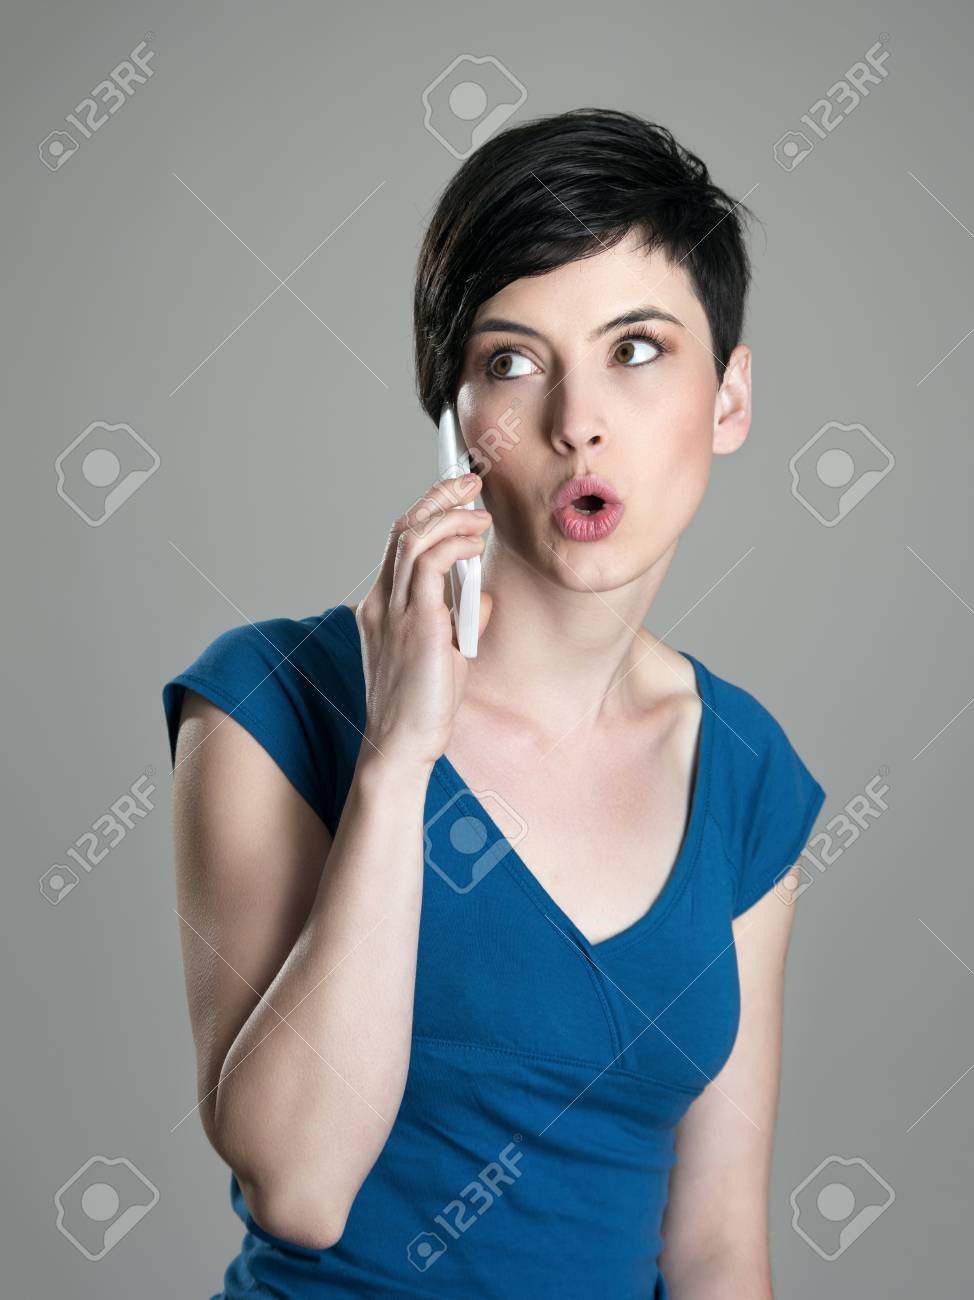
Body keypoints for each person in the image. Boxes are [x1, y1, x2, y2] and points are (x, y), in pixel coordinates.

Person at [162, 107, 826, 1299]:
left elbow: (717, 1246)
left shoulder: (746, 772)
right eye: (511, 361)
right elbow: (299, 1187)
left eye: (635, 349)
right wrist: (396, 757)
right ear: (456, 426)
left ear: (726, 399)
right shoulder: (271, 701)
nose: (578, 419)